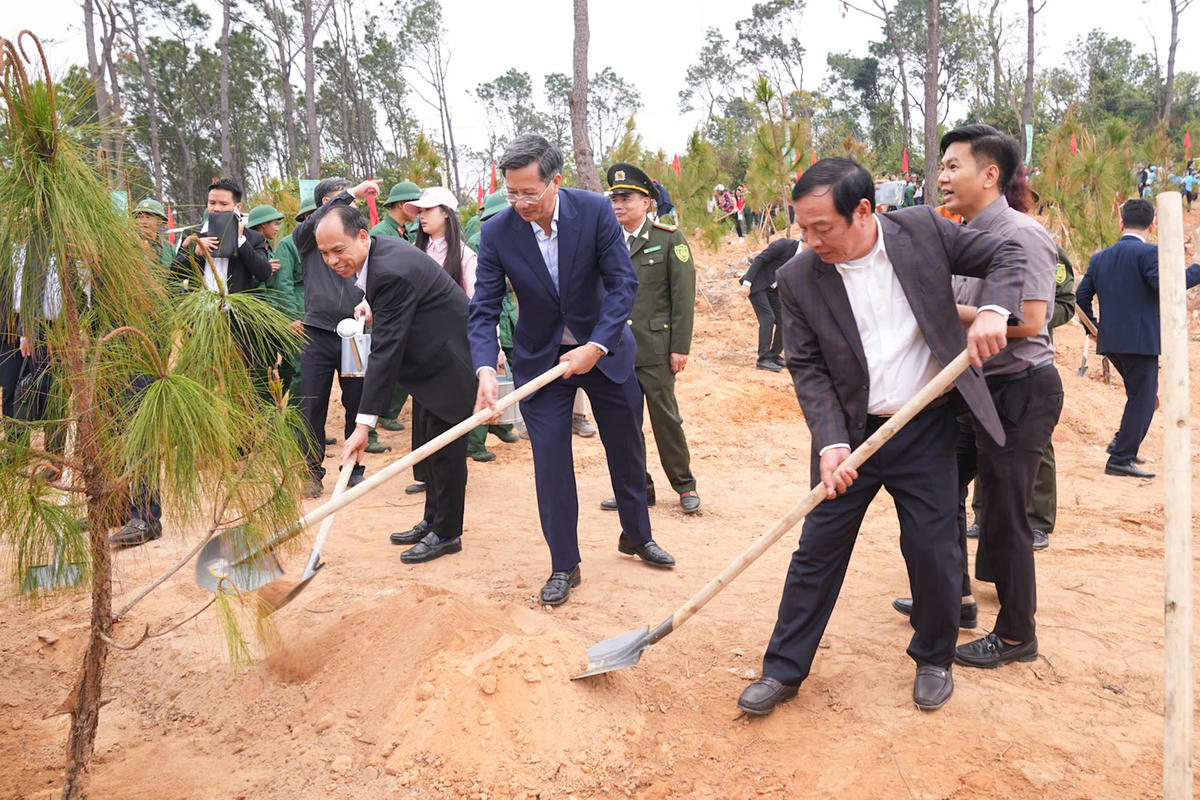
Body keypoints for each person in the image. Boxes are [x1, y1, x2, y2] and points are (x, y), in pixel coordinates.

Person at [736, 157, 1024, 717]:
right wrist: (830, 443)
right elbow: (808, 367)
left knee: (934, 548)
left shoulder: (922, 230)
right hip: (850, 435)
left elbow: (1009, 253)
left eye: (824, 227)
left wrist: (993, 308)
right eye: (803, 227)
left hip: (924, 424)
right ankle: (783, 670)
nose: (813, 239)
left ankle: (934, 657)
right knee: (816, 550)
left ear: (863, 211)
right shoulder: (798, 276)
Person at [469, 134, 676, 606]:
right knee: (551, 463)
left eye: (529, 192)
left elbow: (623, 283)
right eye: (511, 192)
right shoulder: (499, 232)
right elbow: (482, 307)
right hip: (540, 360)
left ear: (555, 182)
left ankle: (636, 536)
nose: (519, 202)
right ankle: (565, 563)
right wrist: (484, 367)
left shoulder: (595, 211)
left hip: (605, 350)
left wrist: (597, 345)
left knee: (626, 447)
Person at [918, 124, 1062, 672]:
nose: (944, 176)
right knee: (937, 488)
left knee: (1004, 513)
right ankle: (953, 599)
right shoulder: (966, 232)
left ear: (990, 174)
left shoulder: (1020, 235)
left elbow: (1027, 320)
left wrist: (941, 311)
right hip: (974, 389)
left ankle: (1017, 633)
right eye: (943, 165)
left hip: (1019, 390)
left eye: (954, 165)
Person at [313, 194, 475, 565]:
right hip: (428, 364)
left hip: (450, 365)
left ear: (363, 237)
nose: (333, 261)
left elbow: (385, 349)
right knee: (429, 449)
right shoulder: (380, 255)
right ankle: (433, 519)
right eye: (324, 254)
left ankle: (448, 533)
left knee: (446, 453)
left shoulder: (389, 270)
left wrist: (363, 423)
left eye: (338, 250)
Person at [598, 162, 700, 514]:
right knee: (625, 425)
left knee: (666, 419)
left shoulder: (668, 239)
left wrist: (679, 348)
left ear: (647, 202)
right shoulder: (606, 240)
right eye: (615, 199)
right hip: (616, 351)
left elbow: (683, 297)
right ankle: (639, 488)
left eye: (626, 198)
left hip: (656, 348)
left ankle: (684, 486)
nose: (618, 205)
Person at [1076, 198, 1200, 479]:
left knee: (1139, 396)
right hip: (1140, 342)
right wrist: (1196, 269)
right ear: (1152, 225)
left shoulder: (1099, 258)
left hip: (1111, 342)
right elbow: (1168, 286)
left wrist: (1093, 330)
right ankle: (1120, 458)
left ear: (1121, 224)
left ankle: (1122, 444)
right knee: (1143, 399)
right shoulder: (1148, 254)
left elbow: (1081, 297)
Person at [404, 185, 516, 463]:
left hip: (454, 346)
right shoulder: (413, 253)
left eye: (428, 209)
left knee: (451, 409)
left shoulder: (464, 256)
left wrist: (494, 347)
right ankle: (424, 471)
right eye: (419, 211)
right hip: (420, 346)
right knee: (422, 410)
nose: (422, 216)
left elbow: (481, 305)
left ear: (446, 214)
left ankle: (449, 471)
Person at [291, 177, 370, 497]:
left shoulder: (359, 239)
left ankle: (353, 468)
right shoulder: (308, 238)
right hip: (317, 334)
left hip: (354, 334)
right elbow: (312, 224)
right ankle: (311, 471)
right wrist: (352, 193)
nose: (351, 208)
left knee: (356, 400)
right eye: (343, 202)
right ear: (324, 206)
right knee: (312, 404)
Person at [368, 181, 422, 442]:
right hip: (386, 309)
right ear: (402, 205)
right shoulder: (381, 232)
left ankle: (387, 412)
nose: (420, 210)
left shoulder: (403, 231)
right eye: (416, 204)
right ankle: (371, 422)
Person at [246, 204, 302, 407]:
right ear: (261, 226)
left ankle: (272, 405)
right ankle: (265, 411)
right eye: (274, 223)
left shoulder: (266, 248)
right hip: (260, 321)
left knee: (292, 364)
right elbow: (257, 288)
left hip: (274, 318)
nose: (277, 228)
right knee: (265, 369)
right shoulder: (251, 250)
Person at [740, 238, 798, 372]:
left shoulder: (805, 260)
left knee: (784, 319)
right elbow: (759, 260)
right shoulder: (784, 245)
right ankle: (763, 359)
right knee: (768, 318)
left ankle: (774, 355)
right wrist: (747, 284)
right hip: (757, 284)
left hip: (774, 289)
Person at [132, 198, 175, 268]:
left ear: (159, 220)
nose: (144, 221)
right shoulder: (129, 244)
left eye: (148, 217)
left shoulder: (169, 249)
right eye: (140, 217)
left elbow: (175, 276)